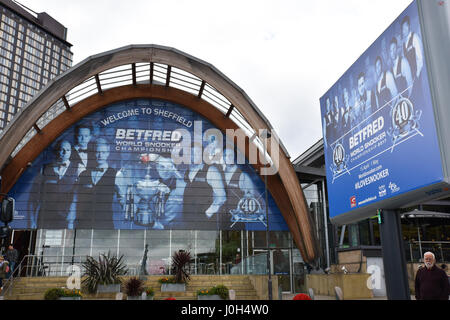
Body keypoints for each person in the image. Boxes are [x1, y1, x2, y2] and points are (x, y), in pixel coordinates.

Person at [28, 139, 78, 229]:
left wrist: (72, 218)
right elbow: (33, 197)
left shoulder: (78, 168)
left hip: (66, 218)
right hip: (45, 216)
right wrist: (32, 220)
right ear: (56, 151)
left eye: (68, 150)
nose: (64, 152)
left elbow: (78, 197)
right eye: (61, 149)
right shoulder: (44, 168)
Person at [75, 138, 123, 229]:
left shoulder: (117, 175)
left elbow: (123, 199)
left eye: (104, 152)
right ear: (93, 153)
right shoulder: (83, 174)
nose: (100, 155)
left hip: (105, 224)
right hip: (83, 224)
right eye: (98, 152)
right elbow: (76, 199)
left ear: (108, 153)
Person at [181, 143, 226, 228]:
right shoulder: (188, 171)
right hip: (187, 220)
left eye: (197, 153)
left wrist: (208, 212)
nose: (193, 156)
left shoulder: (211, 171)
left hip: (204, 222)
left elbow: (221, 197)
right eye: (191, 153)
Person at [401, 15, 424, 82]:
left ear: (409, 26)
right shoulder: (403, 45)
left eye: (405, 27)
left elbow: (420, 58)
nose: (404, 30)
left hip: (417, 76)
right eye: (402, 28)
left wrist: (417, 75)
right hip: (409, 78)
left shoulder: (415, 37)